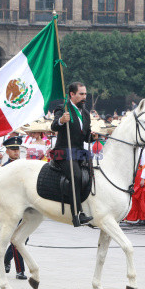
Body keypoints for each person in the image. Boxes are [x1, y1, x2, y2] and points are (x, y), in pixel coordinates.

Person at [51, 82, 93, 227]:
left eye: (85, 94)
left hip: (80, 152)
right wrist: (61, 120)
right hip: (64, 152)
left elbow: (86, 135)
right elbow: (53, 125)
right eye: (81, 94)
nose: (84, 97)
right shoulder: (63, 108)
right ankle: (76, 213)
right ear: (72, 94)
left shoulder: (86, 113)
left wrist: (91, 137)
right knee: (76, 175)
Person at [2, 136, 28, 280]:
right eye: (13, 149)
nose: (16, 152)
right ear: (7, 151)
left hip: (26, 205)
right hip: (11, 207)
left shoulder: (24, 165)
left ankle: (6, 258)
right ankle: (20, 271)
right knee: (19, 238)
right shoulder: (5, 169)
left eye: (17, 149)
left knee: (24, 237)